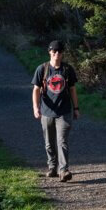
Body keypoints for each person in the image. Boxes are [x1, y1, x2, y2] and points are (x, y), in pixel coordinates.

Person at [31, 40, 79, 182]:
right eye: (54, 51)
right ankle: (52, 167)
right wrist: (35, 107)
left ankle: (63, 170)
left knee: (62, 141)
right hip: (47, 111)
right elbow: (36, 90)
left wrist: (76, 108)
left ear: (63, 53)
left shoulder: (67, 69)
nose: (57, 54)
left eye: (59, 51)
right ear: (49, 52)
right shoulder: (42, 69)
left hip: (64, 111)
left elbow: (72, 90)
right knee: (49, 142)